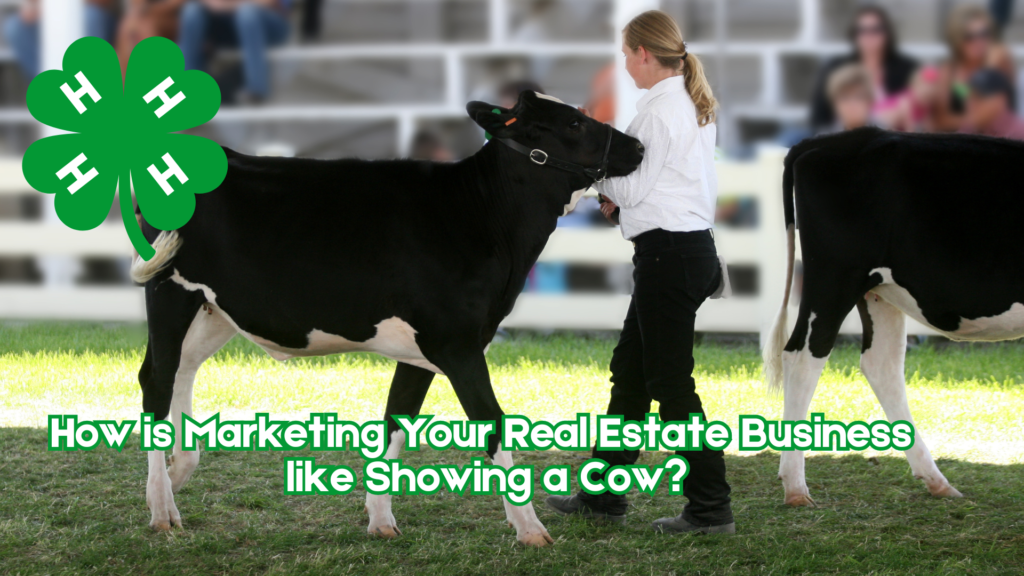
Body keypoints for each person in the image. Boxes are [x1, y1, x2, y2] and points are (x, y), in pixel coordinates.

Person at [545, 10, 734, 535]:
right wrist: (619, 199)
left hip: (668, 258)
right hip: (682, 251)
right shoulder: (689, 103)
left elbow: (632, 188)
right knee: (632, 375)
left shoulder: (659, 110)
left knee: (671, 386)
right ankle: (603, 496)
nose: (625, 64)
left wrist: (592, 168)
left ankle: (710, 508)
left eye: (627, 53)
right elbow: (663, 189)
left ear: (644, 54)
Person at [809, 5, 917, 133]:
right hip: (839, 136)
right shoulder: (835, 67)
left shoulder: (906, 69)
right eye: (862, 30)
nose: (869, 35)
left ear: (887, 33)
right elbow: (819, 118)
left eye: (876, 29)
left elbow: (919, 114)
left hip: (892, 139)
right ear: (854, 34)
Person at [178, 0, 291, 104]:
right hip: (224, 21)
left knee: (247, 13)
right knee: (192, 11)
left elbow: (270, 3)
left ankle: (257, 89)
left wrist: (228, 6)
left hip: (266, 22)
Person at [933, 4, 1015, 132]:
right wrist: (978, 117)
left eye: (984, 33)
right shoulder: (951, 72)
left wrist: (990, 67)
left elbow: (1004, 107)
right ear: (957, 38)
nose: (979, 41)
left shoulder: (998, 61)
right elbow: (942, 122)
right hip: (964, 142)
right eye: (969, 36)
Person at [3, 0, 117, 80]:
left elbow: (102, 2)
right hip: (49, 16)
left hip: (90, 12)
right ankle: (55, 88)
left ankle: (89, 93)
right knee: (15, 28)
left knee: (90, 17)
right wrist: (32, 8)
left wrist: (52, 9)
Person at [117, 0, 188, 77]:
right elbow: (137, 4)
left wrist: (152, 11)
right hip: (148, 15)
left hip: (174, 14)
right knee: (128, 27)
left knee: (145, 28)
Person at [963, 68, 1024, 140]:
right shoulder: (966, 129)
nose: (971, 104)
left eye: (979, 96)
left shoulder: (1019, 133)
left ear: (1001, 99)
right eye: (969, 97)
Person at [826, 64, 876, 132]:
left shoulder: (886, 136)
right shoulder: (825, 139)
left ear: (869, 101)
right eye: (845, 98)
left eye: (858, 97)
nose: (852, 104)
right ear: (835, 103)